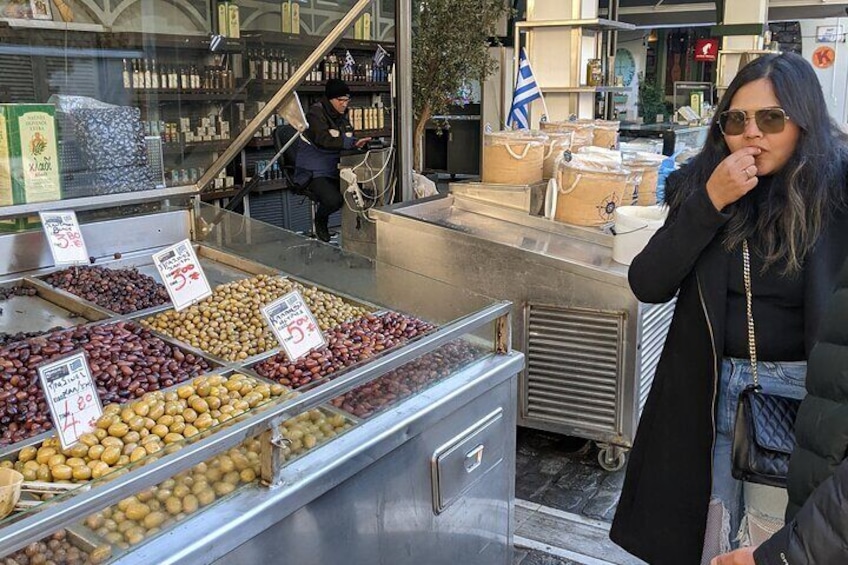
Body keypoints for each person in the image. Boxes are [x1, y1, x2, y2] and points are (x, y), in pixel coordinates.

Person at [609, 52, 848, 565]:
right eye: (737, 120)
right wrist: (709, 202)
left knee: (780, 533)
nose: (751, 133)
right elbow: (648, 282)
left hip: (808, 393)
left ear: (804, 121)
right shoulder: (703, 184)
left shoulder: (837, 195)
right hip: (712, 385)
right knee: (712, 530)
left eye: (771, 118)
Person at [710, 258, 848, 563]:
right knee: (717, 523)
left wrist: (780, 555)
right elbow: (647, 281)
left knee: (765, 522)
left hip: (802, 392)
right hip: (720, 383)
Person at [294, 78, 371, 242]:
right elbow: (324, 140)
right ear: (330, 99)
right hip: (314, 172)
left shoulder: (341, 115)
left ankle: (357, 235)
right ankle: (320, 220)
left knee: (362, 192)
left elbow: (347, 136)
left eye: (347, 100)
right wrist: (349, 142)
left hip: (335, 168)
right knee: (333, 200)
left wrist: (359, 144)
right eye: (340, 100)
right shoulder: (315, 114)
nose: (344, 104)